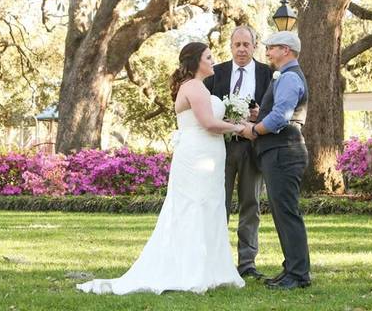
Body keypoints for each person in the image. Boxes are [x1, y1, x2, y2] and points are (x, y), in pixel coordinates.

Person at [77, 42, 247, 295]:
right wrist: (240, 128)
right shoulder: (194, 87)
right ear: (196, 62)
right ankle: (192, 271)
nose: (213, 61)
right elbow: (209, 123)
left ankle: (211, 269)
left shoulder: (194, 87)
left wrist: (235, 121)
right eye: (209, 57)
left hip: (205, 154)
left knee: (207, 206)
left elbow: (209, 121)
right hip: (198, 155)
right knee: (195, 207)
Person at [240, 30, 311, 290]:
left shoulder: (290, 77)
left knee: (287, 213)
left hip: (284, 152)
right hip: (279, 152)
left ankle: (299, 274)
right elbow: (276, 111)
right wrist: (260, 114)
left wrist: (254, 130)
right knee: (282, 213)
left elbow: (282, 116)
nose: (267, 52)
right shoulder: (284, 76)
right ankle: (291, 268)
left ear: (286, 50)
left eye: (272, 48)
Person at [204, 24, 272, 280]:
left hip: (253, 147)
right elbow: (205, 108)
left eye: (246, 44)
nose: (242, 49)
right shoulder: (216, 72)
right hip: (220, 147)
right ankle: (216, 260)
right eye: (237, 45)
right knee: (217, 203)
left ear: (254, 46)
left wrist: (259, 115)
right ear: (231, 47)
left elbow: (274, 111)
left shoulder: (267, 73)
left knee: (250, 205)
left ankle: (247, 263)